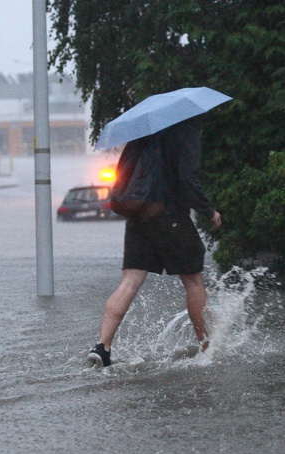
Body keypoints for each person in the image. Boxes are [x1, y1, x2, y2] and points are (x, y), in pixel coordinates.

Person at [87, 117, 222, 367]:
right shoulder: (185, 129)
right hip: (169, 214)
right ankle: (208, 347)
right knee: (193, 280)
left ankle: (102, 347)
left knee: (129, 281)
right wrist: (209, 211)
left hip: (139, 215)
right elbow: (187, 178)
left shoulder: (142, 134)